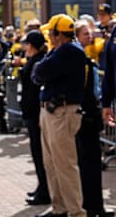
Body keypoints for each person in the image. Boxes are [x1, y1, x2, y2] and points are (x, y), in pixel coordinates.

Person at [32, 14, 85, 217]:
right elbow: (37, 73)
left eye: (51, 33)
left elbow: (40, 72)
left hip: (63, 113)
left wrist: (40, 68)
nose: (49, 37)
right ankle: (59, 208)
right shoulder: (58, 51)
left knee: (65, 165)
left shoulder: (69, 51)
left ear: (58, 34)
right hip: (51, 112)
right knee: (51, 163)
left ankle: (75, 212)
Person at [74, 21, 113, 217]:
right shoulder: (77, 58)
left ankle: (95, 205)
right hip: (85, 116)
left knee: (92, 163)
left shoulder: (91, 54)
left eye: (90, 34)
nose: (89, 37)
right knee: (87, 161)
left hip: (91, 113)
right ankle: (90, 206)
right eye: (84, 34)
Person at [18, 30, 50, 206]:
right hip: (31, 113)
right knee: (37, 153)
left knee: (40, 153)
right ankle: (41, 187)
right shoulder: (33, 60)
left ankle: (45, 191)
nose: (25, 47)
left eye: (27, 44)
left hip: (36, 114)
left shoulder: (39, 61)